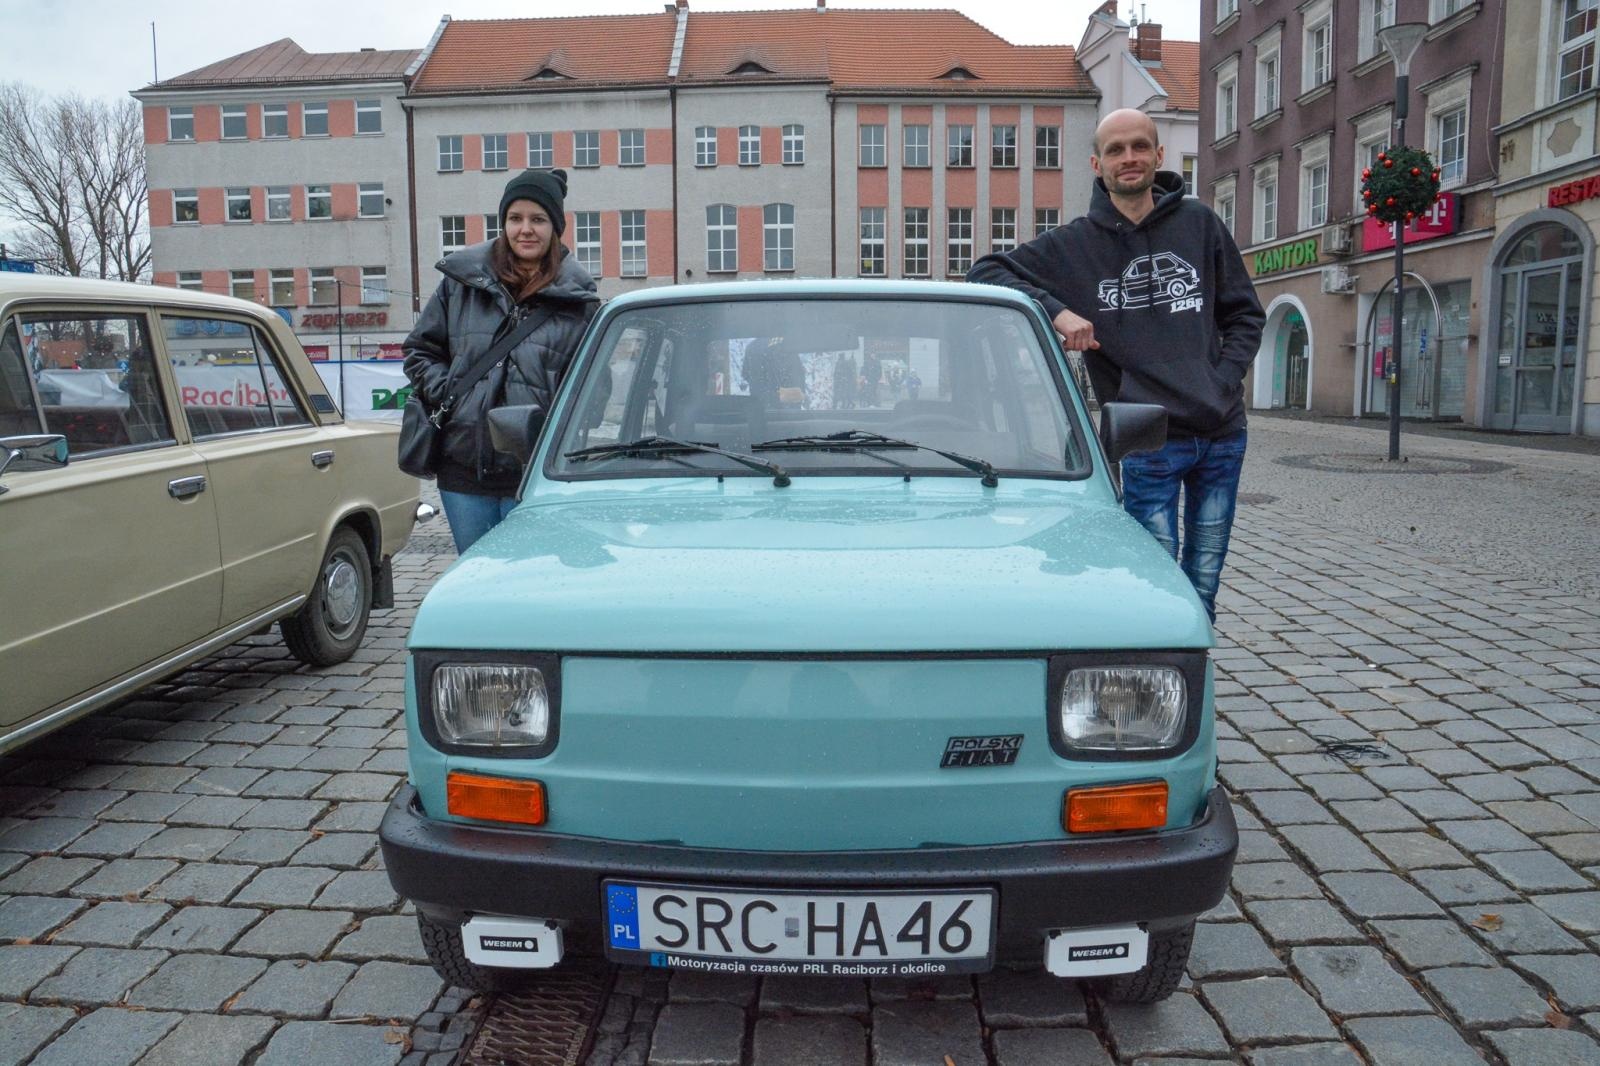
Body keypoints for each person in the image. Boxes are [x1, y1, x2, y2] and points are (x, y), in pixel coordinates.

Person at [968, 108, 1264, 622]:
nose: (1129, 158)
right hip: (1146, 435)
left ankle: (1191, 671)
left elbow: (1245, 316)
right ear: (1096, 164)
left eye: (1139, 147)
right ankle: (1159, 669)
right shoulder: (1075, 244)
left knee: (1206, 568)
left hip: (1221, 431)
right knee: (1150, 570)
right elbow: (985, 271)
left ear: (1158, 156)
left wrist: (1222, 381)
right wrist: (1057, 311)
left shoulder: (1200, 225)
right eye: (1116, 150)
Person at [403, 168, 599, 553]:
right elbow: (419, 350)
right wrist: (453, 393)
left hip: (534, 474)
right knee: (475, 576)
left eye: (538, 219)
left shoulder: (579, 303)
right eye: (515, 218)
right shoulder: (461, 284)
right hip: (462, 468)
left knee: (529, 582)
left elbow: (593, 388)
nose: (526, 229)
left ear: (556, 227)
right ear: (504, 223)